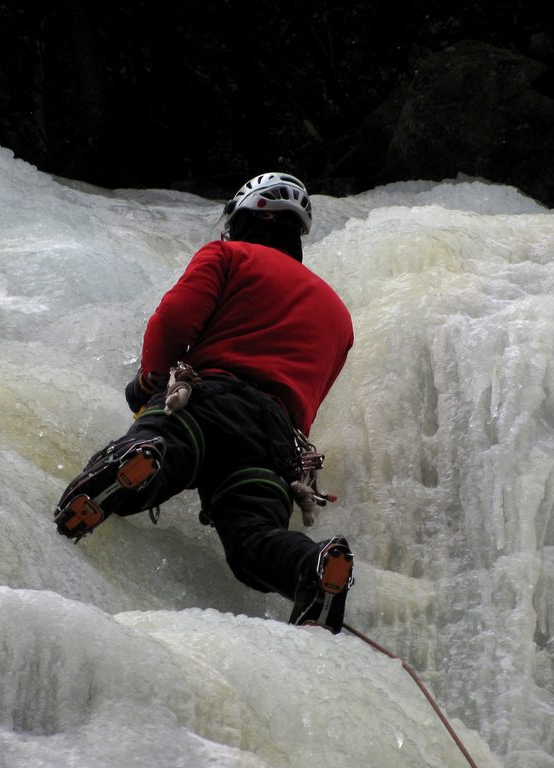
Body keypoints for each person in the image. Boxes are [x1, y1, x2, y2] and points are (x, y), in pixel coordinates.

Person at [53, 172, 355, 632]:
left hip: (209, 400)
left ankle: (139, 459)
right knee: (253, 538)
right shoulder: (338, 314)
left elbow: (173, 321)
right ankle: (312, 568)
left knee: (165, 447)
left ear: (243, 218)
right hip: (275, 439)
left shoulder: (229, 255)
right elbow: (311, 395)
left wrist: (152, 380)